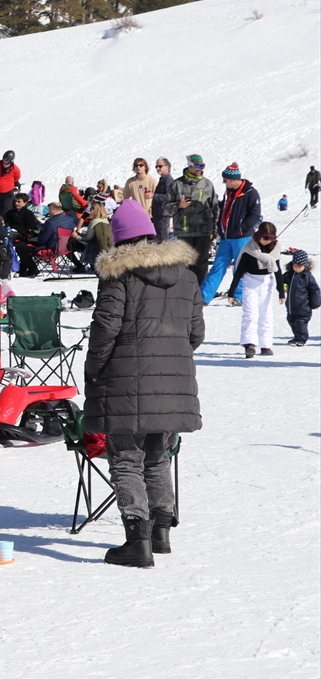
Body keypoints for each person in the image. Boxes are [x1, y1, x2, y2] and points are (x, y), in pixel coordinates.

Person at [84, 198, 203, 567]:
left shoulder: (118, 275)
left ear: (117, 241)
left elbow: (105, 329)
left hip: (124, 379)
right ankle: (161, 532)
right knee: (156, 456)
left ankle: (137, 541)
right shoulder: (186, 274)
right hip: (172, 383)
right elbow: (196, 333)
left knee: (125, 458)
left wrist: (93, 368)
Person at [202, 163, 262, 304]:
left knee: (240, 268)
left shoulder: (250, 193)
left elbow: (255, 215)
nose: (224, 182)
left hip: (242, 237)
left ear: (234, 179)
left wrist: (242, 227)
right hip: (226, 237)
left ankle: (239, 296)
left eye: (226, 180)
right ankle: (203, 296)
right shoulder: (228, 192)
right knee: (218, 266)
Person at [227, 222, 283, 358]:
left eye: (270, 239)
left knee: (266, 315)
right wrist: (231, 292)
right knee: (251, 313)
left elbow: (277, 270)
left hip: (266, 283)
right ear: (259, 236)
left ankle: (265, 344)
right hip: (250, 282)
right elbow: (239, 270)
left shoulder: (275, 249)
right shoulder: (249, 249)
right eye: (265, 238)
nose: (267, 241)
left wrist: (281, 291)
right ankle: (249, 344)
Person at [165, 154, 219, 285]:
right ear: (189, 166)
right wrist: (178, 205)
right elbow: (166, 207)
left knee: (201, 264)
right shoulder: (176, 184)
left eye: (202, 166)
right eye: (197, 166)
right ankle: (185, 292)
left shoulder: (207, 184)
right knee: (184, 264)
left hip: (203, 231)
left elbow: (215, 208)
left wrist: (215, 230)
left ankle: (199, 293)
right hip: (184, 231)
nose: (200, 169)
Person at [283, 248, 320, 346]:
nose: (297, 268)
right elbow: (282, 282)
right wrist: (283, 287)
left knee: (301, 323)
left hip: (303, 306)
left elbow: (315, 290)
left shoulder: (307, 277)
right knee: (291, 321)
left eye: (300, 266)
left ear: (305, 265)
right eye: (295, 266)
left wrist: (315, 302)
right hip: (291, 306)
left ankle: (302, 338)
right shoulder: (288, 275)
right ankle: (296, 337)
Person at [80, 200, 114, 271]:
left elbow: (87, 237)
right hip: (108, 249)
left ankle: (79, 265)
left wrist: (76, 236)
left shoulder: (94, 222)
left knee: (76, 244)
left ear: (96, 210)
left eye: (92, 209)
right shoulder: (106, 220)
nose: (90, 211)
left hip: (96, 250)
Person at [0, 150, 21, 216]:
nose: (4, 164)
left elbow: (16, 178)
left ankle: (6, 223)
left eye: (7, 163)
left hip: (8, 192)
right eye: (4, 162)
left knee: (6, 209)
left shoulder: (15, 169)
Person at [151, 157, 175, 241]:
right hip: (159, 214)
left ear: (167, 166)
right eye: (156, 167)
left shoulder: (168, 180)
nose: (158, 168)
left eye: (160, 166)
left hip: (163, 215)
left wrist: (153, 196)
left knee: (163, 240)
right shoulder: (163, 179)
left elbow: (169, 196)